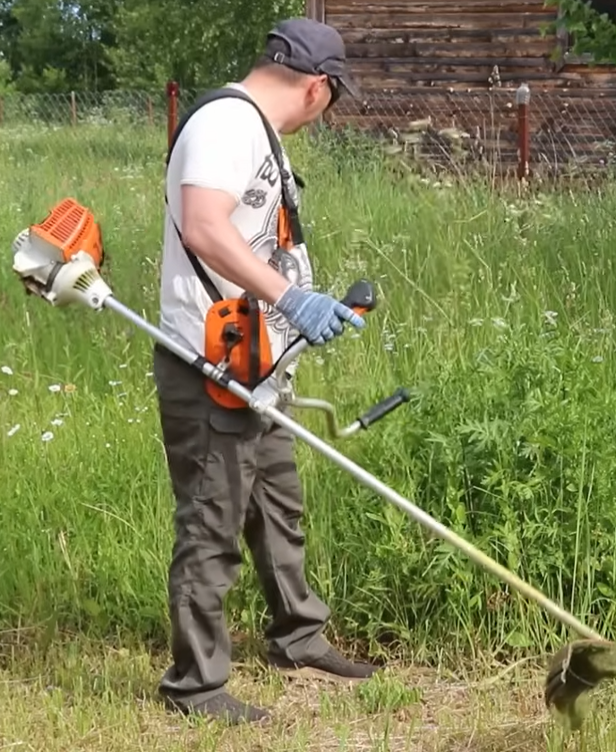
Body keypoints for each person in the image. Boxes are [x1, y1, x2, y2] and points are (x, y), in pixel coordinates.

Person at [152, 18, 377, 725]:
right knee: (211, 523)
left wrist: (310, 310)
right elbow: (205, 226)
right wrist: (293, 299)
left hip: (255, 361)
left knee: (276, 506)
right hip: (208, 364)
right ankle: (196, 687)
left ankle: (297, 636)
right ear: (320, 87)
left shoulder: (253, 131)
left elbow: (252, 240)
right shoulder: (229, 124)